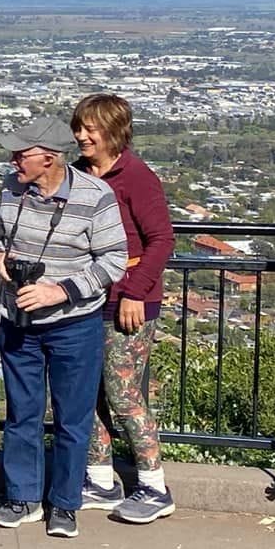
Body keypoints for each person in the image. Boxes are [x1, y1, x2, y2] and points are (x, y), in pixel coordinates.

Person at [0, 114, 130, 539]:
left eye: (21, 154)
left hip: (73, 325)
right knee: (21, 414)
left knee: (73, 417)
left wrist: (60, 291)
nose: (14, 161)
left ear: (48, 158)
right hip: (17, 320)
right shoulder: (11, 189)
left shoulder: (95, 196)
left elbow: (114, 261)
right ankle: (22, 498)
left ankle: (65, 503)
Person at [71, 94, 178, 525]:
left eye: (90, 128)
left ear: (114, 131)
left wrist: (135, 291)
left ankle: (153, 484)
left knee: (124, 393)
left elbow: (161, 240)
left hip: (128, 301)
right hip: (85, 297)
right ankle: (100, 478)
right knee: (86, 392)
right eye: (78, 127)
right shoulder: (78, 175)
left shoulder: (136, 177)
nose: (81, 135)